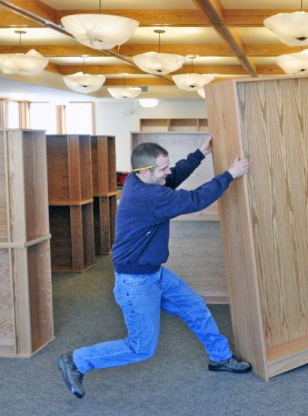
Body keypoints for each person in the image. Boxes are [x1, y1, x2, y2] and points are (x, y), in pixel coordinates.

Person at [57, 136, 251, 399]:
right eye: (163, 168)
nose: (168, 172)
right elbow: (195, 200)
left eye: (167, 166)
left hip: (154, 273)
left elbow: (173, 177)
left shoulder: (141, 180)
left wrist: (200, 153)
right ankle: (76, 361)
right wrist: (229, 175)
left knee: (194, 306)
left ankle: (221, 358)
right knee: (141, 348)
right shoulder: (149, 196)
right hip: (135, 282)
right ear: (146, 171)